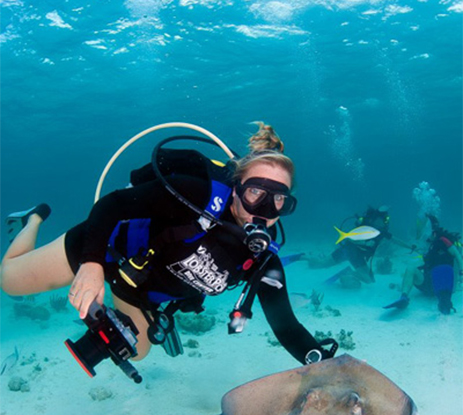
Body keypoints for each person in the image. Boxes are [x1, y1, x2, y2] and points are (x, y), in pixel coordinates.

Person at [1, 122, 337, 371]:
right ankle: (33, 219)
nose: (264, 209)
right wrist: (90, 264)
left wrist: (321, 363)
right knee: (9, 282)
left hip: (135, 292)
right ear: (236, 188)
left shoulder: (262, 259)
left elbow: (286, 325)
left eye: (278, 200)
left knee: (137, 351)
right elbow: (114, 204)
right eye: (255, 193)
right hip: (105, 248)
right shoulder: (194, 196)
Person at [383, 214, 463, 315]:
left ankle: (444, 302)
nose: (426, 236)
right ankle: (403, 297)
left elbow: (458, 256)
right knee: (411, 268)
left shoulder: (444, 241)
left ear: (433, 232)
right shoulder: (430, 246)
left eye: (427, 232)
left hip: (441, 284)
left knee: (441, 272)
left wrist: (461, 274)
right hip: (429, 284)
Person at [307, 205, 395, 284]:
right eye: (384, 219)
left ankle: (348, 272)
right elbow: (350, 238)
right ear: (377, 219)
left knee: (369, 280)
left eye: (387, 219)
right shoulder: (365, 228)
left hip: (358, 257)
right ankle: (304, 257)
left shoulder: (381, 232)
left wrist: (409, 247)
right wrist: (364, 242)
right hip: (348, 251)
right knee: (321, 264)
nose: (386, 222)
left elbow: (395, 240)